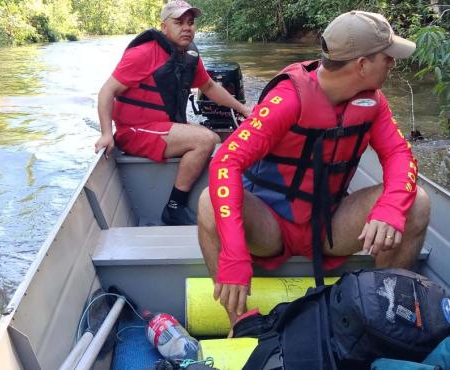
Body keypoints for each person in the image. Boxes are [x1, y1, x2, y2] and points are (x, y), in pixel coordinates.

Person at [197, 10, 431, 329]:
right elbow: (226, 161)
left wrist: (390, 207)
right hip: (272, 225)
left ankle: (383, 316)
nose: (392, 63)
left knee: (416, 202)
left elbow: (399, 156)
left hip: (330, 224)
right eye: (386, 57)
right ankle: (240, 322)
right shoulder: (287, 100)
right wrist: (234, 255)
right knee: (209, 202)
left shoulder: (374, 103)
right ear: (362, 65)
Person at [94, 0, 252, 226]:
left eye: (191, 22)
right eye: (179, 22)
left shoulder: (189, 56)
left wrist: (243, 109)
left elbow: (209, 87)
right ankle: (174, 206)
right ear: (164, 26)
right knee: (206, 139)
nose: (187, 27)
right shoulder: (143, 54)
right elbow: (106, 92)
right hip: (134, 132)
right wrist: (106, 133)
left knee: (212, 137)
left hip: (162, 129)